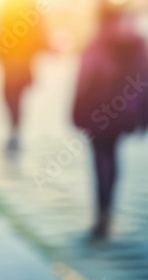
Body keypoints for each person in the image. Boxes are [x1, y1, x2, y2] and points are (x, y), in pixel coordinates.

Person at [72, 2, 148, 240]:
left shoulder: (97, 44)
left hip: (98, 113)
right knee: (111, 157)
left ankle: (103, 210)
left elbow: (84, 80)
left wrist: (76, 111)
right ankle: (107, 208)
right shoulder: (139, 45)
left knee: (101, 158)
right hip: (122, 114)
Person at [0, 0, 47, 152]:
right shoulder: (22, 7)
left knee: (11, 95)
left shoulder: (10, 7)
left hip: (16, 60)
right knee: (13, 95)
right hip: (18, 59)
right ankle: (15, 125)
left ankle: (15, 125)